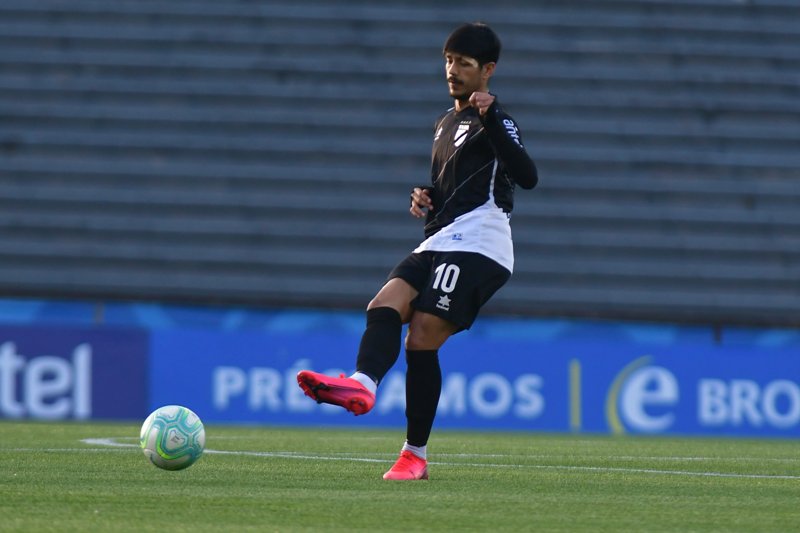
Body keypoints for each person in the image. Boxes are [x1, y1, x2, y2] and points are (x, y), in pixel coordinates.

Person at [297, 22, 538, 480]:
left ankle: (415, 456)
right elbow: (457, 183)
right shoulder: (445, 122)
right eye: (448, 60)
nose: (452, 70)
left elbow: (527, 177)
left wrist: (494, 119)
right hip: (441, 237)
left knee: (423, 334)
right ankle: (362, 384)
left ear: (487, 70)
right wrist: (426, 197)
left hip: (482, 242)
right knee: (383, 304)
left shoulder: (497, 118)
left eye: (464, 64)